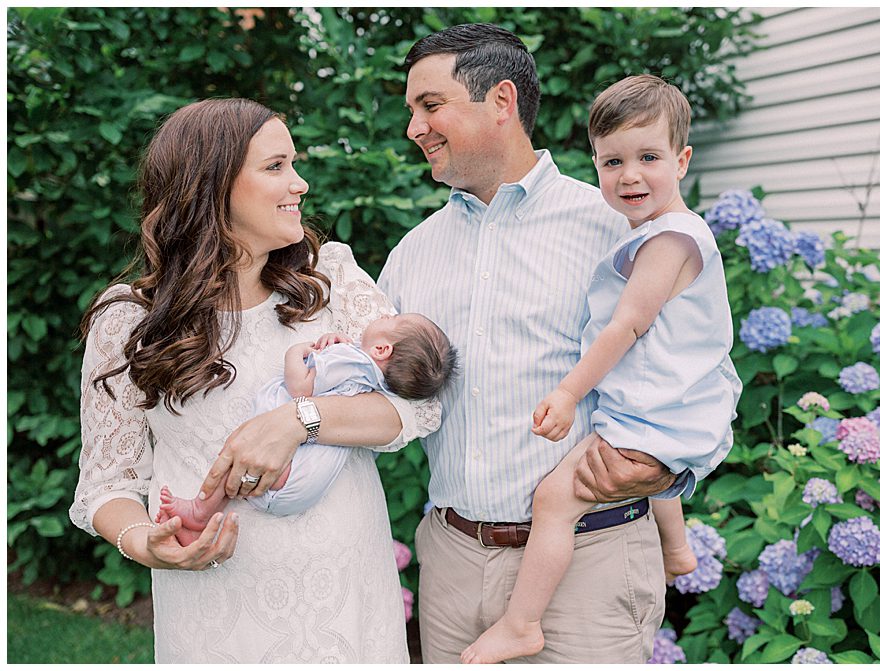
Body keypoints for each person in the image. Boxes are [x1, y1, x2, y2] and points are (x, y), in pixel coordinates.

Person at [70, 98, 440, 663]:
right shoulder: (127, 320)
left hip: (346, 596)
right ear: (209, 185)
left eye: (294, 163)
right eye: (276, 167)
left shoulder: (329, 280)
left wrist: (297, 421)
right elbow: (105, 486)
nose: (301, 183)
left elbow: (416, 409)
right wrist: (146, 543)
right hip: (217, 604)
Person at [377, 24, 685, 663]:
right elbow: (382, 395)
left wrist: (671, 465)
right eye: (412, 110)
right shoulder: (411, 255)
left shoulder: (619, 231)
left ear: (502, 101)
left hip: (593, 566)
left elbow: (696, 374)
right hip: (451, 562)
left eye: (430, 106)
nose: (414, 128)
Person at [461, 74, 743, 664]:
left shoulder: (668, 241)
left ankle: (522, 622)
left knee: (555, 500)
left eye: (648, 157)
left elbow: (626, 327)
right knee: (637, 454)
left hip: (657, 408)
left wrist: (566, 394)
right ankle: (678, 550)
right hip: (665, 406)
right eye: (612, 161)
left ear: (682, 160)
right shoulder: (661, 232)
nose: (630, 175)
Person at [157, 315, 457, 544]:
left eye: (391, 319)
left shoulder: (350, 359)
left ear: (381, 348)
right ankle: (202, 523)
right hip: (304, 484)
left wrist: (295, 353)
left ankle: (200, 510)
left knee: (239, 454)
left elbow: (301, 387)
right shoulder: (373, 380)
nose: (383, 315)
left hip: (289, 471)